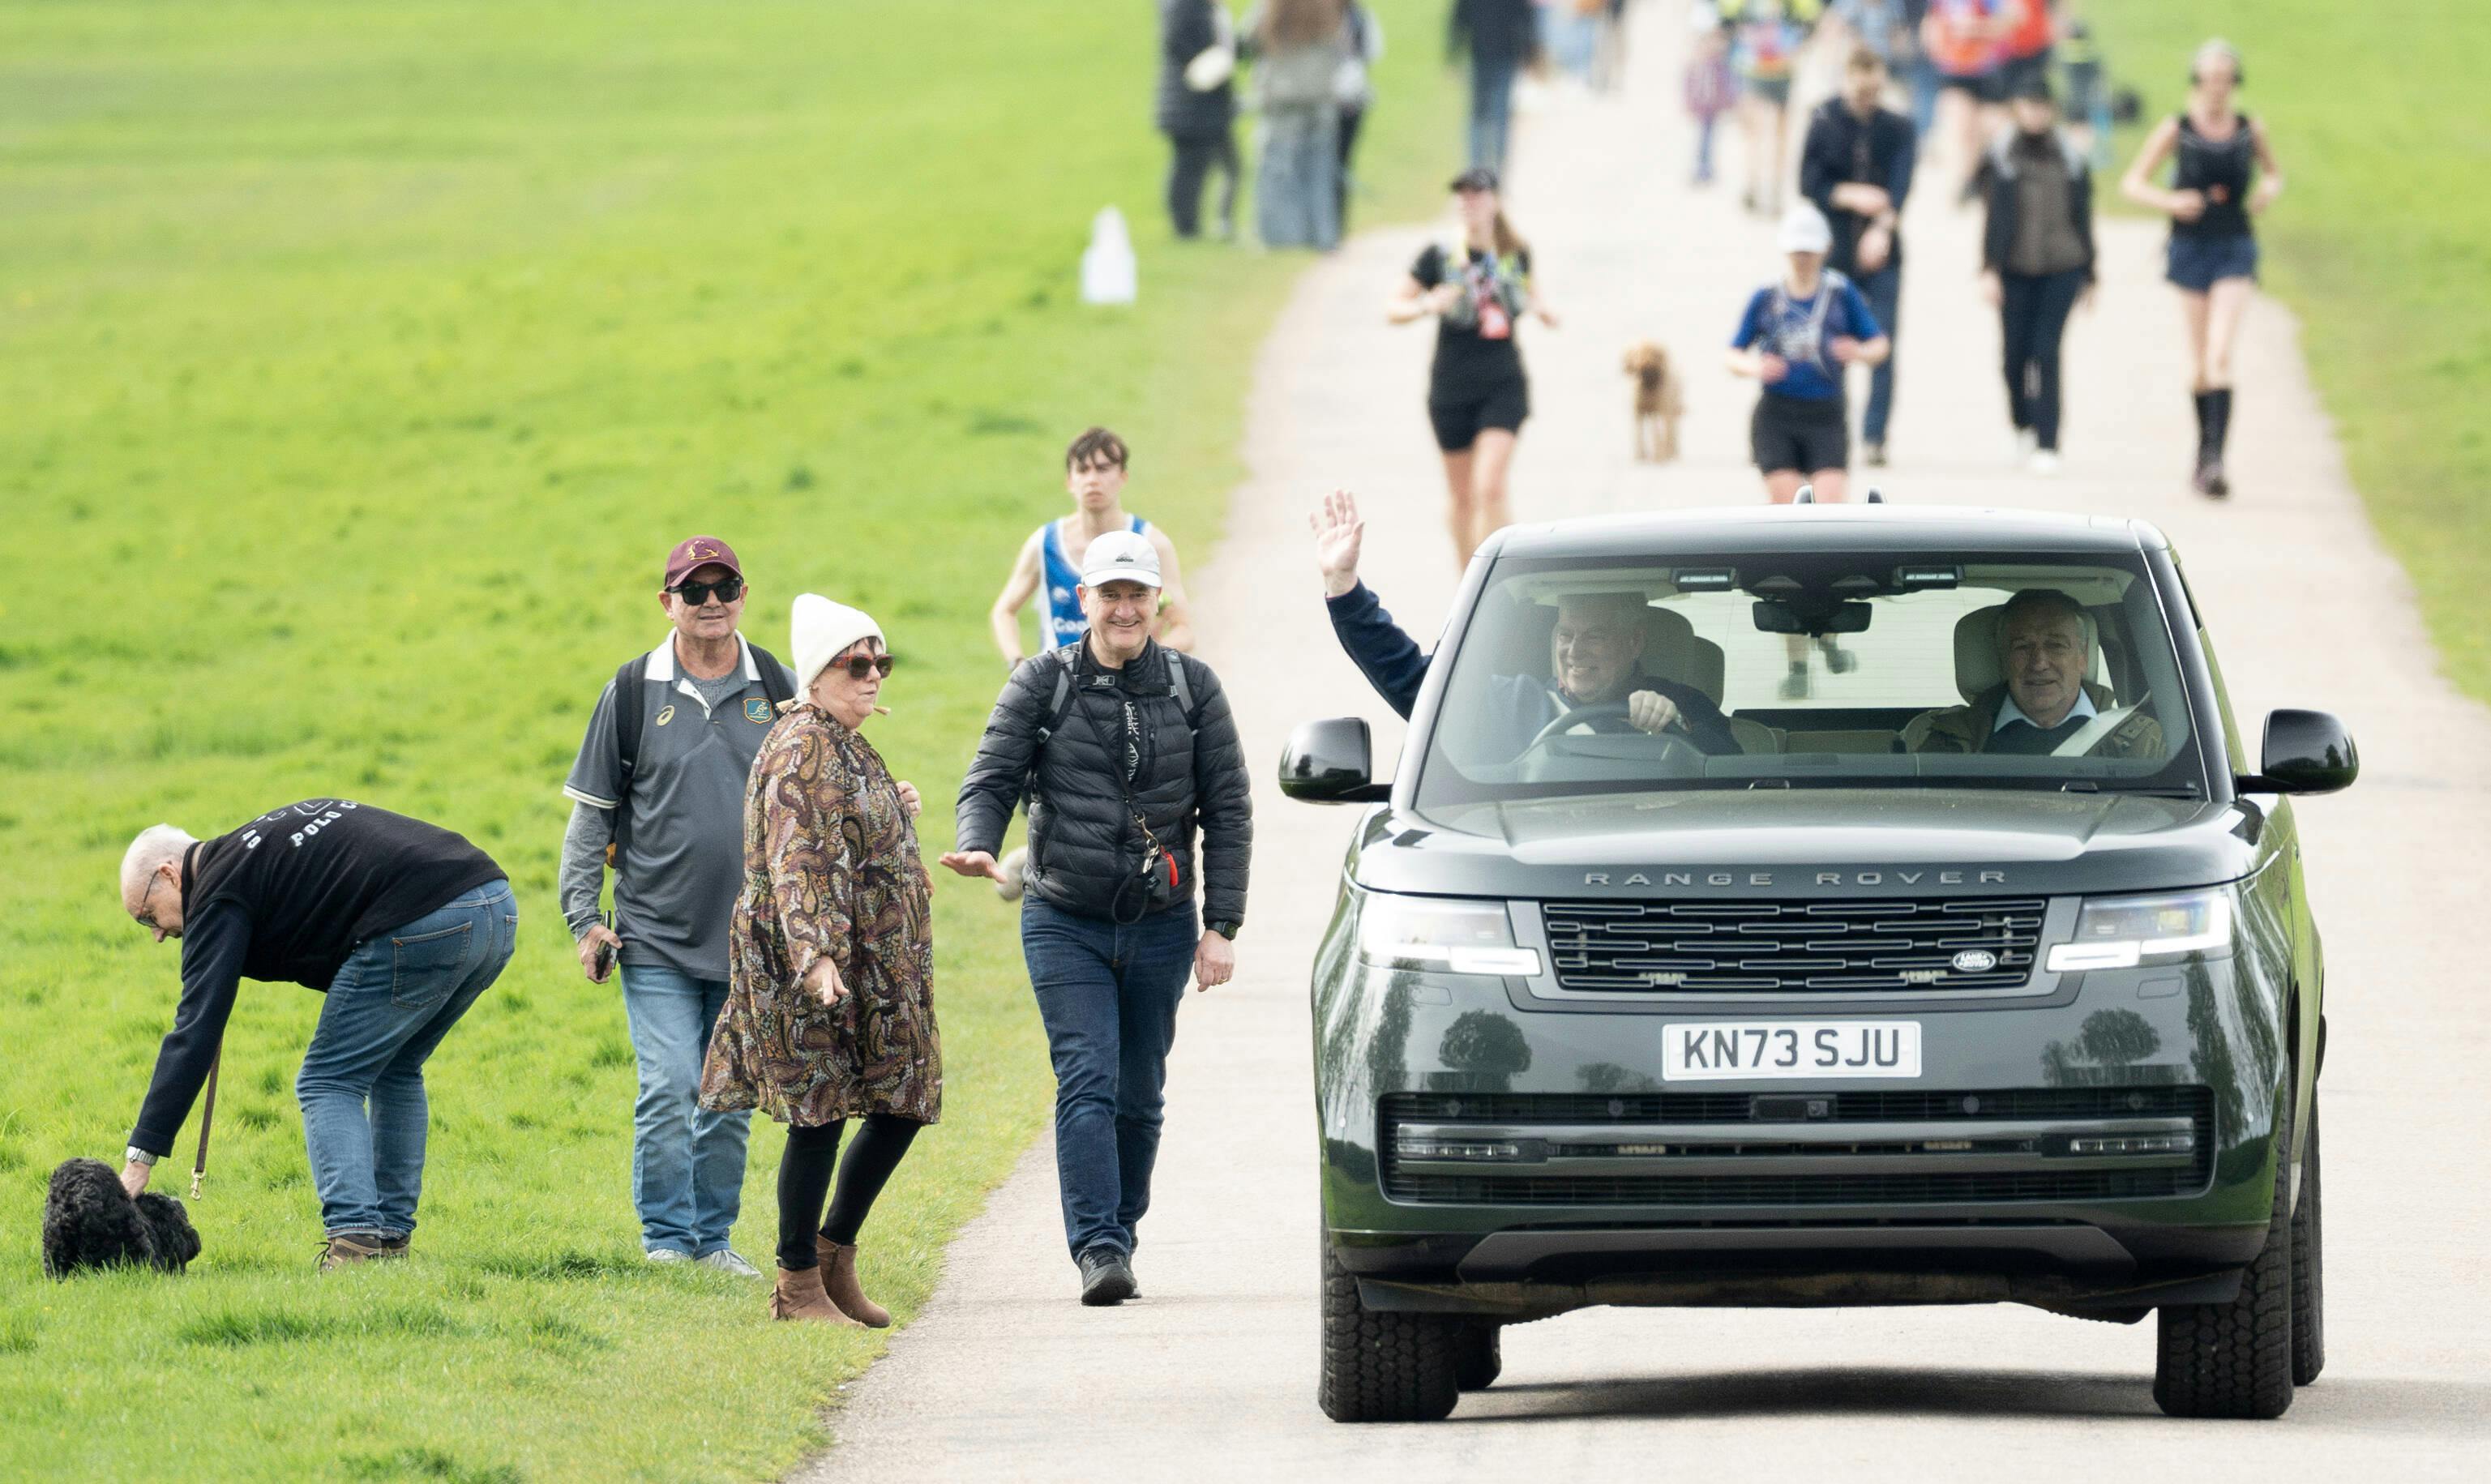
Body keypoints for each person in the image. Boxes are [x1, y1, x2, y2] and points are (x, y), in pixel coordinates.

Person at [942, 531, 1252, 1307]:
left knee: (1139, 1092)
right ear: (1081, 601)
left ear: (1156, 602)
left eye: (1135, 594)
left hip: (1160, 924)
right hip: (1064, 917)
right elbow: (990, 777)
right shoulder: (1040, 682)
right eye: (1107, 593)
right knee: (1087, 1076)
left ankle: (1121, 1227)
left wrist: (1224, 925)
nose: (1122, 607)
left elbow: (1230, 809)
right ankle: (1099, 1247)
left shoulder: (1193, 688)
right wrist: (978, 844)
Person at [114, 803, 511, 1272]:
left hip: (425, 919)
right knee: (396, 1069)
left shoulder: (219, 890)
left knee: (327, 1081)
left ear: (170, 874)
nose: (157, 934)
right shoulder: (247, 853)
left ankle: (355, 1242)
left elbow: (194, 1029)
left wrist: (141, 1157)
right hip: (495, 907)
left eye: (147, 916)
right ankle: (389, 1240)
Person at [698, 596, 938, 1325]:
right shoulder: (802, 743)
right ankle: (797, 1282)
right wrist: (816, 957)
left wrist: (891, 805)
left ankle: (836, 1258)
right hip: (813, 965)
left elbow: (841, 822)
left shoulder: (844, 737)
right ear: (818, 672)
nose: (872, 677)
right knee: (819, 1114)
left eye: (880, 663)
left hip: (874, 964)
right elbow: (795, 858)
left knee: (903, 1098)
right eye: (855, 664)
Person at [560, 537, 795, 1277]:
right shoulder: (631, 691)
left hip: (750, 937)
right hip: (654, 935)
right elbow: (591, 816)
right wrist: (582, 917)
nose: (712, 601)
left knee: (728, 1094)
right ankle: (665, 1239)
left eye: (724, 586)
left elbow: (811, 798)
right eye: (694, 590)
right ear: (668, 603)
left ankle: (712, 1240)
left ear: (743, 593)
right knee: (669, 1086)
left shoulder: (779, 686)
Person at [1312, 490, 1741, 754]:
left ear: (1633, 642)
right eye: (1566, 634)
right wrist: (1345, 589)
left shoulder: (1682, 704)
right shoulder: (1512, 703)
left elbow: (1735, 773)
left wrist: (1677, 728)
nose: (1574, 651)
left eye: (1595, 637)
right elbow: (1408, 677)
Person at [1728, 203, 1888, 699]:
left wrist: (1855, 353)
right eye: (1795, 252)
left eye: (1809, 252)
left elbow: (1879, 343)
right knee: (1790, 532)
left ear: (1821, 252)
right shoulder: (1767, 297)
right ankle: (1796, 658)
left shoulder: (1840, 294)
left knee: (1831, 524)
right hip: (1777, 416)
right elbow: (1732, 351)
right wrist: (1757, 369)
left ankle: (1833, 635)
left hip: (1825, 418)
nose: (1802, 260)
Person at [2119, 38, 2282, 498]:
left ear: (2235, 84)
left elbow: (2273, 172)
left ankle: (2215, 461)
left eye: (2225, 80)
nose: (2217, 88)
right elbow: (2133, 183)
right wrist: (2171, 201)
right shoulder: (2178, 129)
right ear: (2197, 81)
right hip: (2189, 247)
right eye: (2209, 79)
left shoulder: (2250, 129)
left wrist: (2267, 190)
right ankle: (2202, 453)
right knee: (2198, 362)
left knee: (2220, 353)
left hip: (2234, 245)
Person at [1390, 167, 1557, 566]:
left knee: (1491, 487)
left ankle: (1510, 575)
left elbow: (1534, 295)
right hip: (1451, 387)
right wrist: (1426, 306)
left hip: (1503, 382)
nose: (1469, 203)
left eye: (1477, 195)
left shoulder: (1515, 251)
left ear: (1495, 201)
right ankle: (1469, 584)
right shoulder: (1440, 255)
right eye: (1463, 196)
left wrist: (1544, 310)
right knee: (1462, 496)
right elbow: (1393, 307)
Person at [990, 427, 1194, 670]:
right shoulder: (1044, 544)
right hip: (1060, 689)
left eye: (1103, 468)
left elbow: (1184, 629)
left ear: (1123, 477)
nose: (1092, 479)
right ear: (1069, 481)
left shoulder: (1151, 545)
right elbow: (1004, 611)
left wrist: (1148, 662)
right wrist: (1018, 663)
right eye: (1083, 470)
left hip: (1128, 688)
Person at [1800, 44, 1917, 466]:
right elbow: (1809, 180)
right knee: (1829, 345)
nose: (1866, 99)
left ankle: (1875, 435)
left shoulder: (1898, 128)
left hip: (1881, 250)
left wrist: (1884, 227)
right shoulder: (1825, 119)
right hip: (1836, 250)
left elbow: (1901, 186)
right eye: (1859, 90)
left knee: (1880, 343)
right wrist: (1848, 194)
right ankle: (1832, 433)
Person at [1977, 77, 2095, 474]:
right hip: (2013, 268)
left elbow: (2083, 216)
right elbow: (1991, 217)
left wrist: (2091, 272)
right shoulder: (2001, 155)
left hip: (2061, 265)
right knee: (2013, 356)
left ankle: (2048, 441)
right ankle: (2022, 424)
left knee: (2046, 351)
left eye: (2042, 105)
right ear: (2017, 108)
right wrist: (1989, 268)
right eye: (2029, 104)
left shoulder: (2070, 157)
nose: (2036, 113)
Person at [1902, 588, 2163, 756]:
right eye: (2022, 646)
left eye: (2056, 645)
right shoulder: (1949, 741)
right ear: (2003, 660)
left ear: (2082, 657)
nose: (2039, 663)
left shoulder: (2141, 743)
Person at [1243, 0, 1348, 250]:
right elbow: (1342, 47)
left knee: (1277, 169)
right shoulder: (1329, 9)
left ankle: (1281, 236)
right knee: (1320, 170)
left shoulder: (1271, 8)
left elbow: (1248, 40)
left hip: (1283, 97)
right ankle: (1324, 235)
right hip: (1321, 97)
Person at [1723, 0, 1821, 216]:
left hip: (1758, 68)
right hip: (1775, 68)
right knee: (1772, 134)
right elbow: (1810, 18)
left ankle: (1757, 186)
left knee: (1759, 134)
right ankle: (1764, 188)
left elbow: (1728, 15)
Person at [1157, 0, 1242, 241]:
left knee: (1202, 166)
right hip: (1192, 102)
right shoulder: (1189, 5)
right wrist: (1208, 61)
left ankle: (1196, 225)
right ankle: (1186, 227)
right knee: (1190, 168)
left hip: (1197, 102)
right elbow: (1178, 41)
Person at [1921, 0, 2010, 199]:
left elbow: (2008, 23)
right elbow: (1930, 25)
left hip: (1986, 70)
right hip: (1955, 71)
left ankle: (1979, 170)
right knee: (1962, 127)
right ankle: (1966, 180)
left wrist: (1977, 28)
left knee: (1988, 127)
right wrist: (1936, 48)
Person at [1450, 0, 1535, 176]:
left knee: (1486, 114)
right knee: (1495, 114)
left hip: (1493, 54)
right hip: (1491, 54)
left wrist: (1454, 49)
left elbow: (1459, 16)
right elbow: (1526, 17)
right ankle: (1487, 168)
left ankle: (1482, 167)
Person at [1335, 2, 1383, 232]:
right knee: (1340, 163)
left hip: (1345, 101)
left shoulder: (1358, 18)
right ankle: (1334, 224)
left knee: (1336, 164)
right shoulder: (1359, 17)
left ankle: (1334, 224)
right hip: (1349, 100)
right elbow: (1373, 52)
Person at [1684, 13, 1740, 186]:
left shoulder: (1719, 65)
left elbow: (1727, 85)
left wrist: (1729, 102)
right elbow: (1689, 85)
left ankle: (1706, 168)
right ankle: (1702, 167)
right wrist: (1689, 103)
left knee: (1709, 138)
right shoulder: (1696, 65)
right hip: (1702, 107)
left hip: (1713, 107)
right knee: (1704, 138)